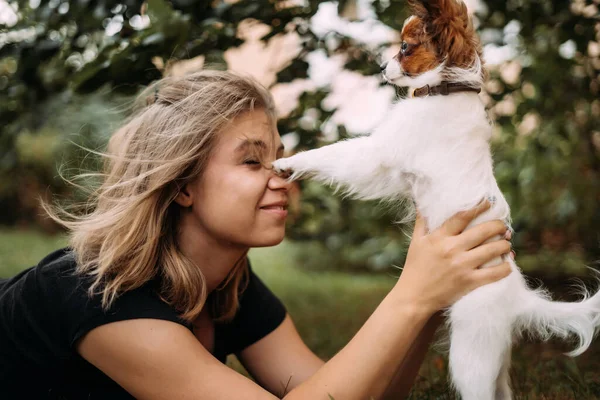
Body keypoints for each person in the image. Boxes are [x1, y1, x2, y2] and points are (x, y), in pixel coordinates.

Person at [0, 70, 512, 400]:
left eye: (279, 155)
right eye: (252, 160)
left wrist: (430, 299)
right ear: (182, 185)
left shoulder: (229, 286)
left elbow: (348, 393)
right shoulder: (95, 292)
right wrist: (410, 295)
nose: (283, 174)